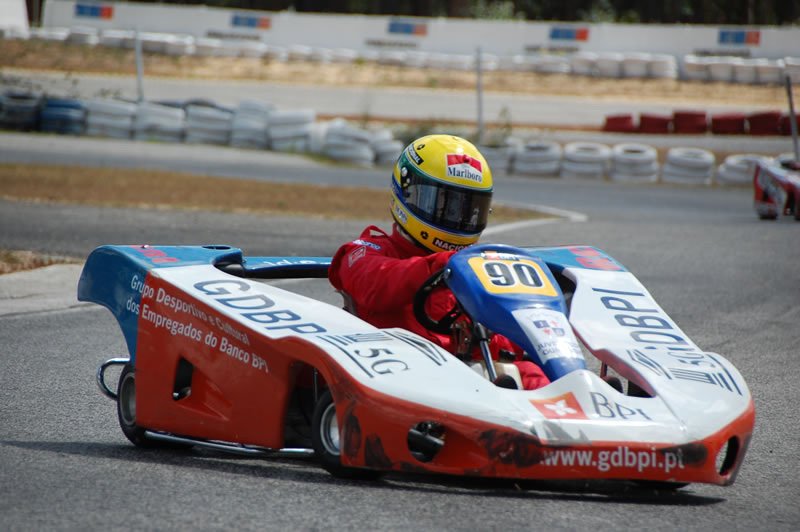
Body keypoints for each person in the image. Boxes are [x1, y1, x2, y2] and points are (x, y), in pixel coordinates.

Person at [328, 134, 549, 390]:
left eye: (468, 209)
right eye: (445, 205)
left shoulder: (475, 263)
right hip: (399, 376)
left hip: (469, 373)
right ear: (406, 194)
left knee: (532, 373)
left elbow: (501, 334)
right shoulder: (367, 251)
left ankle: (591, 411)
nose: (456, 218)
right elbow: (376, 284)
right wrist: (445, 265)